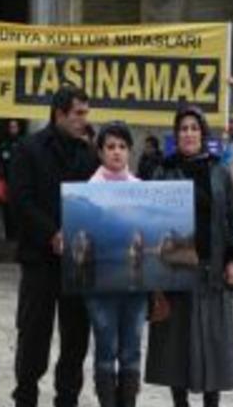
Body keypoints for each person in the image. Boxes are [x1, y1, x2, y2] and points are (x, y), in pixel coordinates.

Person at [145, 106, 233, 407]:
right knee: (176, 344)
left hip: (211, 269)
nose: (189, 134)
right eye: (183, 129)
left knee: (213, 343)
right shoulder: (162, 171)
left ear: (203, 134)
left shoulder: (219, 171)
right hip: (174, 271)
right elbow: (150, 218)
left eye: (194, 128)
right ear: (176, 135)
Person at [10, 86, 99, 407]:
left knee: (76, 337)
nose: (83, 120)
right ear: (59, 113)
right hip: (39, 260)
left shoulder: (89, 154)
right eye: (78, 113)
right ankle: (26, 395)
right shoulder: (29, 149)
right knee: (33, 333)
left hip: (77, 261)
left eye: (85, 114)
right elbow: (21, 200)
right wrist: (52, 233)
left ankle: (67, 398)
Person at [82, 121, 147, 407]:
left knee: (132, 349)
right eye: (110, 147)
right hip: (101, 282)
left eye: (122, 147)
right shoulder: (86, 191)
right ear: (100, 152)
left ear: (130, 152)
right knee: (106, 348)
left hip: (135, 281)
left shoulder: (142, 190)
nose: (117, 153)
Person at [0, 119, 25, 240]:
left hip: (20, 183)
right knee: (7, 211)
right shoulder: (4, 145)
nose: (13, 129)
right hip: (7, 182)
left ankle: (18, 236)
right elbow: (1, 164)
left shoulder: (23, 144)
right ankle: (9, 236)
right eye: (11, 127)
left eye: (15, 127)